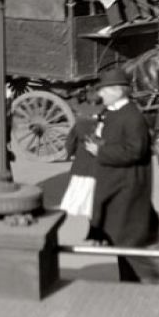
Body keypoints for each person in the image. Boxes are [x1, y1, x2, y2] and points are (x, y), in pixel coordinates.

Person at [83, 70, 159, 283]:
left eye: (105, 90)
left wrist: (101, 151)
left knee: (124, 236)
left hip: (126, 187)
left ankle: (143, 277)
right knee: (121, 236)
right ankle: (132, 279)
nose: (102, 94)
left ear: (118, 91)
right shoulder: (113, 112)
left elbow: (135, 151)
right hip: (116, 182)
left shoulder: (132, 116)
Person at [60, 99, 102, 240]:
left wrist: (72, 153)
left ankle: (92, 231)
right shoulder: (106, 127)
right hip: (100, 171)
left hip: (81, 171)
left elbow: (69, 146)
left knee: (86, 203)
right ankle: (96, 231)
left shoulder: (79, 126)